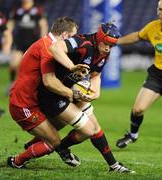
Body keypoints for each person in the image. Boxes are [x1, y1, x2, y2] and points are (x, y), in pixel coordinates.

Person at [23, 22, 135, 173]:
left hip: (71, 92)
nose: (108, 48)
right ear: (99, 38)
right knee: (87, 130)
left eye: (111, 46)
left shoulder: (104, 53)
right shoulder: (84, 42)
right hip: (53, 93)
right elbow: (55, 48)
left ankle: (113, 165)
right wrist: (71, 67)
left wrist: (95, 92)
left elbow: (96, 75)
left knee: (94, 127)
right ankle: (56, 148)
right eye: (106, 43)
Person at [7, 17, 89, 169]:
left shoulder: (46, 43)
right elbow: (49, 82)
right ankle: (16, 161)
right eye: (72, 37)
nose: (73, 44)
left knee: (62, 119)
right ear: (65, 35)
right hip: (23, 103)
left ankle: (35, 144)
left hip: (35, 100)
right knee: (54, 141)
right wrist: (70, 93)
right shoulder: (48, 49)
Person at [116, 0, 162, 149]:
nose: (159, 12)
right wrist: (116, 41)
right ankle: (133, 135)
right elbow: (137, 36)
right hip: (157, 75)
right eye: (159, 9)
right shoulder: (153, 27)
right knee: (138, 109)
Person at [7, 0, 48, 91]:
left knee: (33, 67)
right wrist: (7, 39)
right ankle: (11, 82)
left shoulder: (38, 9)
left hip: (33, 43)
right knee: (13, 64)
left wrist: (43, 41)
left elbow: (43, 25)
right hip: (19, 42)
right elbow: (10, 25)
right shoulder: (17, 9)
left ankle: (33, 86)